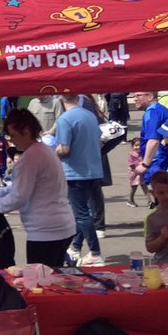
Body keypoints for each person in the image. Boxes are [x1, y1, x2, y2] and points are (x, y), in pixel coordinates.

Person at [0, 109, 76, 270]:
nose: (11, 140)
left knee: (40, 283)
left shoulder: (30, 158)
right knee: (53, 277)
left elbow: (18, 197)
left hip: (45, 231)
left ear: (26, 131)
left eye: (14, 135)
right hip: (62, 225)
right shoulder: (44, 150)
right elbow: (19, 186)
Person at [55, 93, 104, 267]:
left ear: (61, 99)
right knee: (84, 212)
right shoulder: (89, 115)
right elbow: (99, 141)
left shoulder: (65, 119)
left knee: (81, 213)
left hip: (75, 171)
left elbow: (64, 148)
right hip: (93, 169)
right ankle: (75, 247)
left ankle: (95, 252)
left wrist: (52, 151)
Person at [144, 171, 168, 265]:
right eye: (161, 193)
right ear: (153, 193)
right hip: (162, 264)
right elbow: (149, 248)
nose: (166, 196)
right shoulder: (152, 218)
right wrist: (162, 238)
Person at [134, 90, 168, 177]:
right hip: (162, 159)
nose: (135, 99)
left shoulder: (153, 112)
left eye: (138, 95)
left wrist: (145, 164)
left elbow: (153, 141)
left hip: (159, 162)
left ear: (150, 97)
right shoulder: (160, 110)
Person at [126, 138, 149, 207]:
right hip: (134, 173)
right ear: (132, 146)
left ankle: (149, 201)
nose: (137, 147)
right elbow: (131, 164)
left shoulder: (144, 153)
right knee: (134, 187)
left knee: (145, 187)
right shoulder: (131, 155)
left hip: (142, 173)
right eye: (136, 145)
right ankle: (131, 200)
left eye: (139, 145)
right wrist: (139, 165)